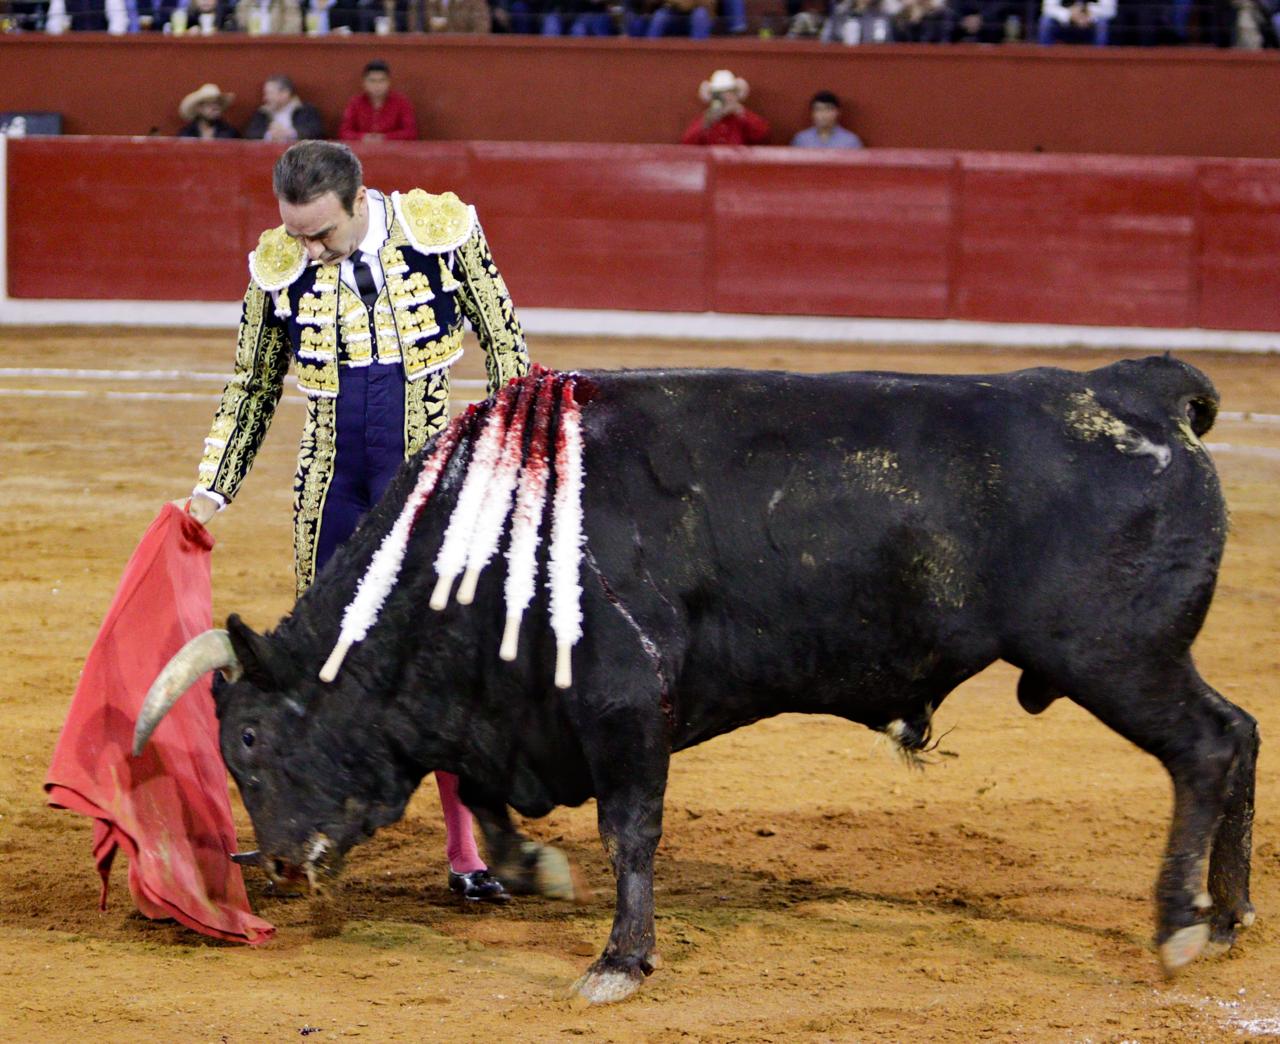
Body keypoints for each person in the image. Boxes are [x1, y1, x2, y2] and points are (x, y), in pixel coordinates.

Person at [177, 141, 529, 900]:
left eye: (320, 235)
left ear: (359, 199)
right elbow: (251, 384)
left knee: (444, 664)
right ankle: (307, 833)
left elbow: (506, 348)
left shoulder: (442, 231)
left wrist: (509, 467)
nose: (307, 249)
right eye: (296, 234)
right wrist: (211, 490)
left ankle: (467, 854)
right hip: (331, 491)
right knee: (324, 668)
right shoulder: (278, 264)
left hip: (427, 490)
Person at [679, 69, 770, 147]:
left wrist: (740, 112)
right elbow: (687, 142)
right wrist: (707, 122)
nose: (724, 98)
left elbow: (762, 134)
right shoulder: (707, 118)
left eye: (728, 93)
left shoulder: (741, 117)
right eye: (719, 94)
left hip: (737, 163)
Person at [338, 60, 419, 142]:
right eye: (372, 81)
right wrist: (363, 137)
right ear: (364, 83)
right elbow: (344, 132)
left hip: (394, 150)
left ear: (389, 82)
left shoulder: (401, 102)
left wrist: (385, 138)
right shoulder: (355, 103)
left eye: (381, 81)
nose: (377, 85)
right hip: (362, 151)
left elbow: (411, 133)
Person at [243, 75, 325, 142]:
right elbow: (250, 134)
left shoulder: (306, 110)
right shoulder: (262, 112)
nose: (265, 98)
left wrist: (290, 133)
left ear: (285, 93)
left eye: (270, 93)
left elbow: (316, 132)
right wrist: (269, 134)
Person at [790, 91, 864, 149]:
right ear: (812, 113)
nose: (823, 114)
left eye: (828, 109)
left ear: (837, 112)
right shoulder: (801, 140)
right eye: (818, 110)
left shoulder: (851, 141)